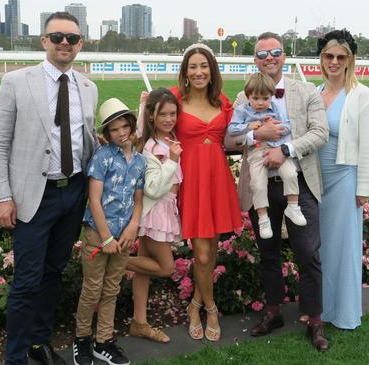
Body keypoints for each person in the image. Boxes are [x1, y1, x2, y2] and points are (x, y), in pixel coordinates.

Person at [0, 12, 98, 365]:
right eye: (58, 36)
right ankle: (15, 357)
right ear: (44, 41)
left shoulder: (88, 86)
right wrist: (3, 197)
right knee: (27, 281)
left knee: (54, 273)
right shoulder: (16, 81)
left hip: (74, 192)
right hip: (35, 197)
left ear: (80, 44)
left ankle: (40, 343)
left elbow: (88, 142)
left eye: (72, 38)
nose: (65, 43)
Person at [224, 32, 330, 351]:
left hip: (299, 182)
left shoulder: (305, 90)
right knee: (268, 252)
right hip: (261, 188)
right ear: (255, 60)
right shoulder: (245, 97)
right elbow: (229, 141)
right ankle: (273, 311)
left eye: (276, 52)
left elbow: (320, 133)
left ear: (284, 55)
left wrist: (284, 148)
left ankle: (314, 318)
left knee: (308, 253)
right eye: (262, 54)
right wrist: (257, 135)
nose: (270, 58)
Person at [173, 43, 242, 342]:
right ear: (186, 72)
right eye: (193, 66)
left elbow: (240, 136)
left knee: (210, 251)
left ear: (212, 71)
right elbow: (151, 131)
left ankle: (195, 304)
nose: (199, 72)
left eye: (204, 66)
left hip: (217, 181)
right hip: (189, 181)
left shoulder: (224, 103)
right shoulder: (175, 100)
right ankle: (210, 308)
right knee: (201, 253)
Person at [73, 98, 146, 365]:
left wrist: (133, 226)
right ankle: (82, 339)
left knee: (112, 290)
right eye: (114, 129)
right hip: (98, 235)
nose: (121, 133)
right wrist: (105, 238)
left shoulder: (139, 162)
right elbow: (94, 200)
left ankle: (103, 341)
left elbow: (138, 199)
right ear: (107, 133)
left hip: (125, 235)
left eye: (124, 126)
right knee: (92, 289)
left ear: (132, 126)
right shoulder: (102, 158)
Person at [316, 29, 369, 330]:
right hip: (316, 183)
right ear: (321, 58)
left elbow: (368, 145)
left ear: (350, 59)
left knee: (343, 249)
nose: (334, 61)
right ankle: (321, 309)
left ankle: (344, 313)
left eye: (341, 56)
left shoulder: (361, 94)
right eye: (329, 55)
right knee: (320, 249)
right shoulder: (315, 92)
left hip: (344, 181)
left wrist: (363, 188)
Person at [126, 88, 182, 343]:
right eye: (163, 115)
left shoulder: (166, 140)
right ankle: (115, 263)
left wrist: (142, 106)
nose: (169, 119)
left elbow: (141, 130)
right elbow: (153, 187)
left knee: (144, 268)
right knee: (166, 266)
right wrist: (171, 160)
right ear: (153, 117)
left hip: (164, 209)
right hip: (155, 211)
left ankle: (139, 322)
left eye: (173, 113)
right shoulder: (156, 148)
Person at [227, 72, 307, 240]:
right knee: (258, 184)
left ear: (271, 97)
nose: (261, 103)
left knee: (291, 173)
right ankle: (263, 218)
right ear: (248, 96)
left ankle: (293, 206)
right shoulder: (242, 110)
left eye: (265, 98)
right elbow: (232, 129)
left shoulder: (275, 108)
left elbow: (287, 126)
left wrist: (276, 128)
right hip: (257, 151)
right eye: (256, 98)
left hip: (277, 149)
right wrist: (249, 127)